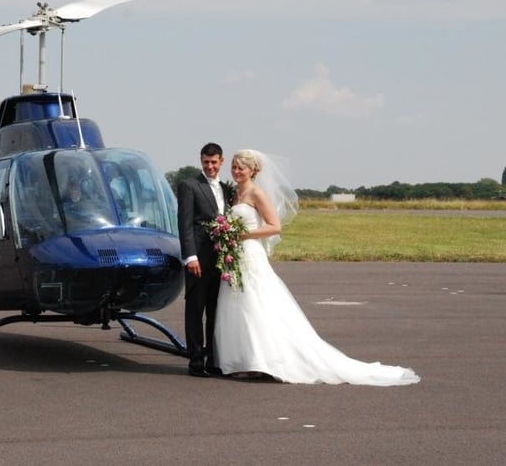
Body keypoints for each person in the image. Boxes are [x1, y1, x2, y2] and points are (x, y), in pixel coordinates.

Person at [213, 149, 420, 386]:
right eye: (234, 167)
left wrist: (242, 235)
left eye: (241, 167)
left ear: (253, 170)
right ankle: (242, 359)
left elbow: (274, 226)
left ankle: (262, 360)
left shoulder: (256, 193)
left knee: (255, 302)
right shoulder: (233, 194)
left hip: (250, 253)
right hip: (234, 256)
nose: (236, 171)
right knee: (238, 304)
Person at [177, 142, 233, 378]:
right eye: (206, 162)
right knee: (195, 309)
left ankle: (213, 359)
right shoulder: (189, 185)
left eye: (214, 162)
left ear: (221, 161)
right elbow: (185, 224)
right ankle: (196, 361)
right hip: (198, 258)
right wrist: (190, 256)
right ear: (201, 161)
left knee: (215, 311)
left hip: (220, 259)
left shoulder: (227, 189)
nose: (210, 166)